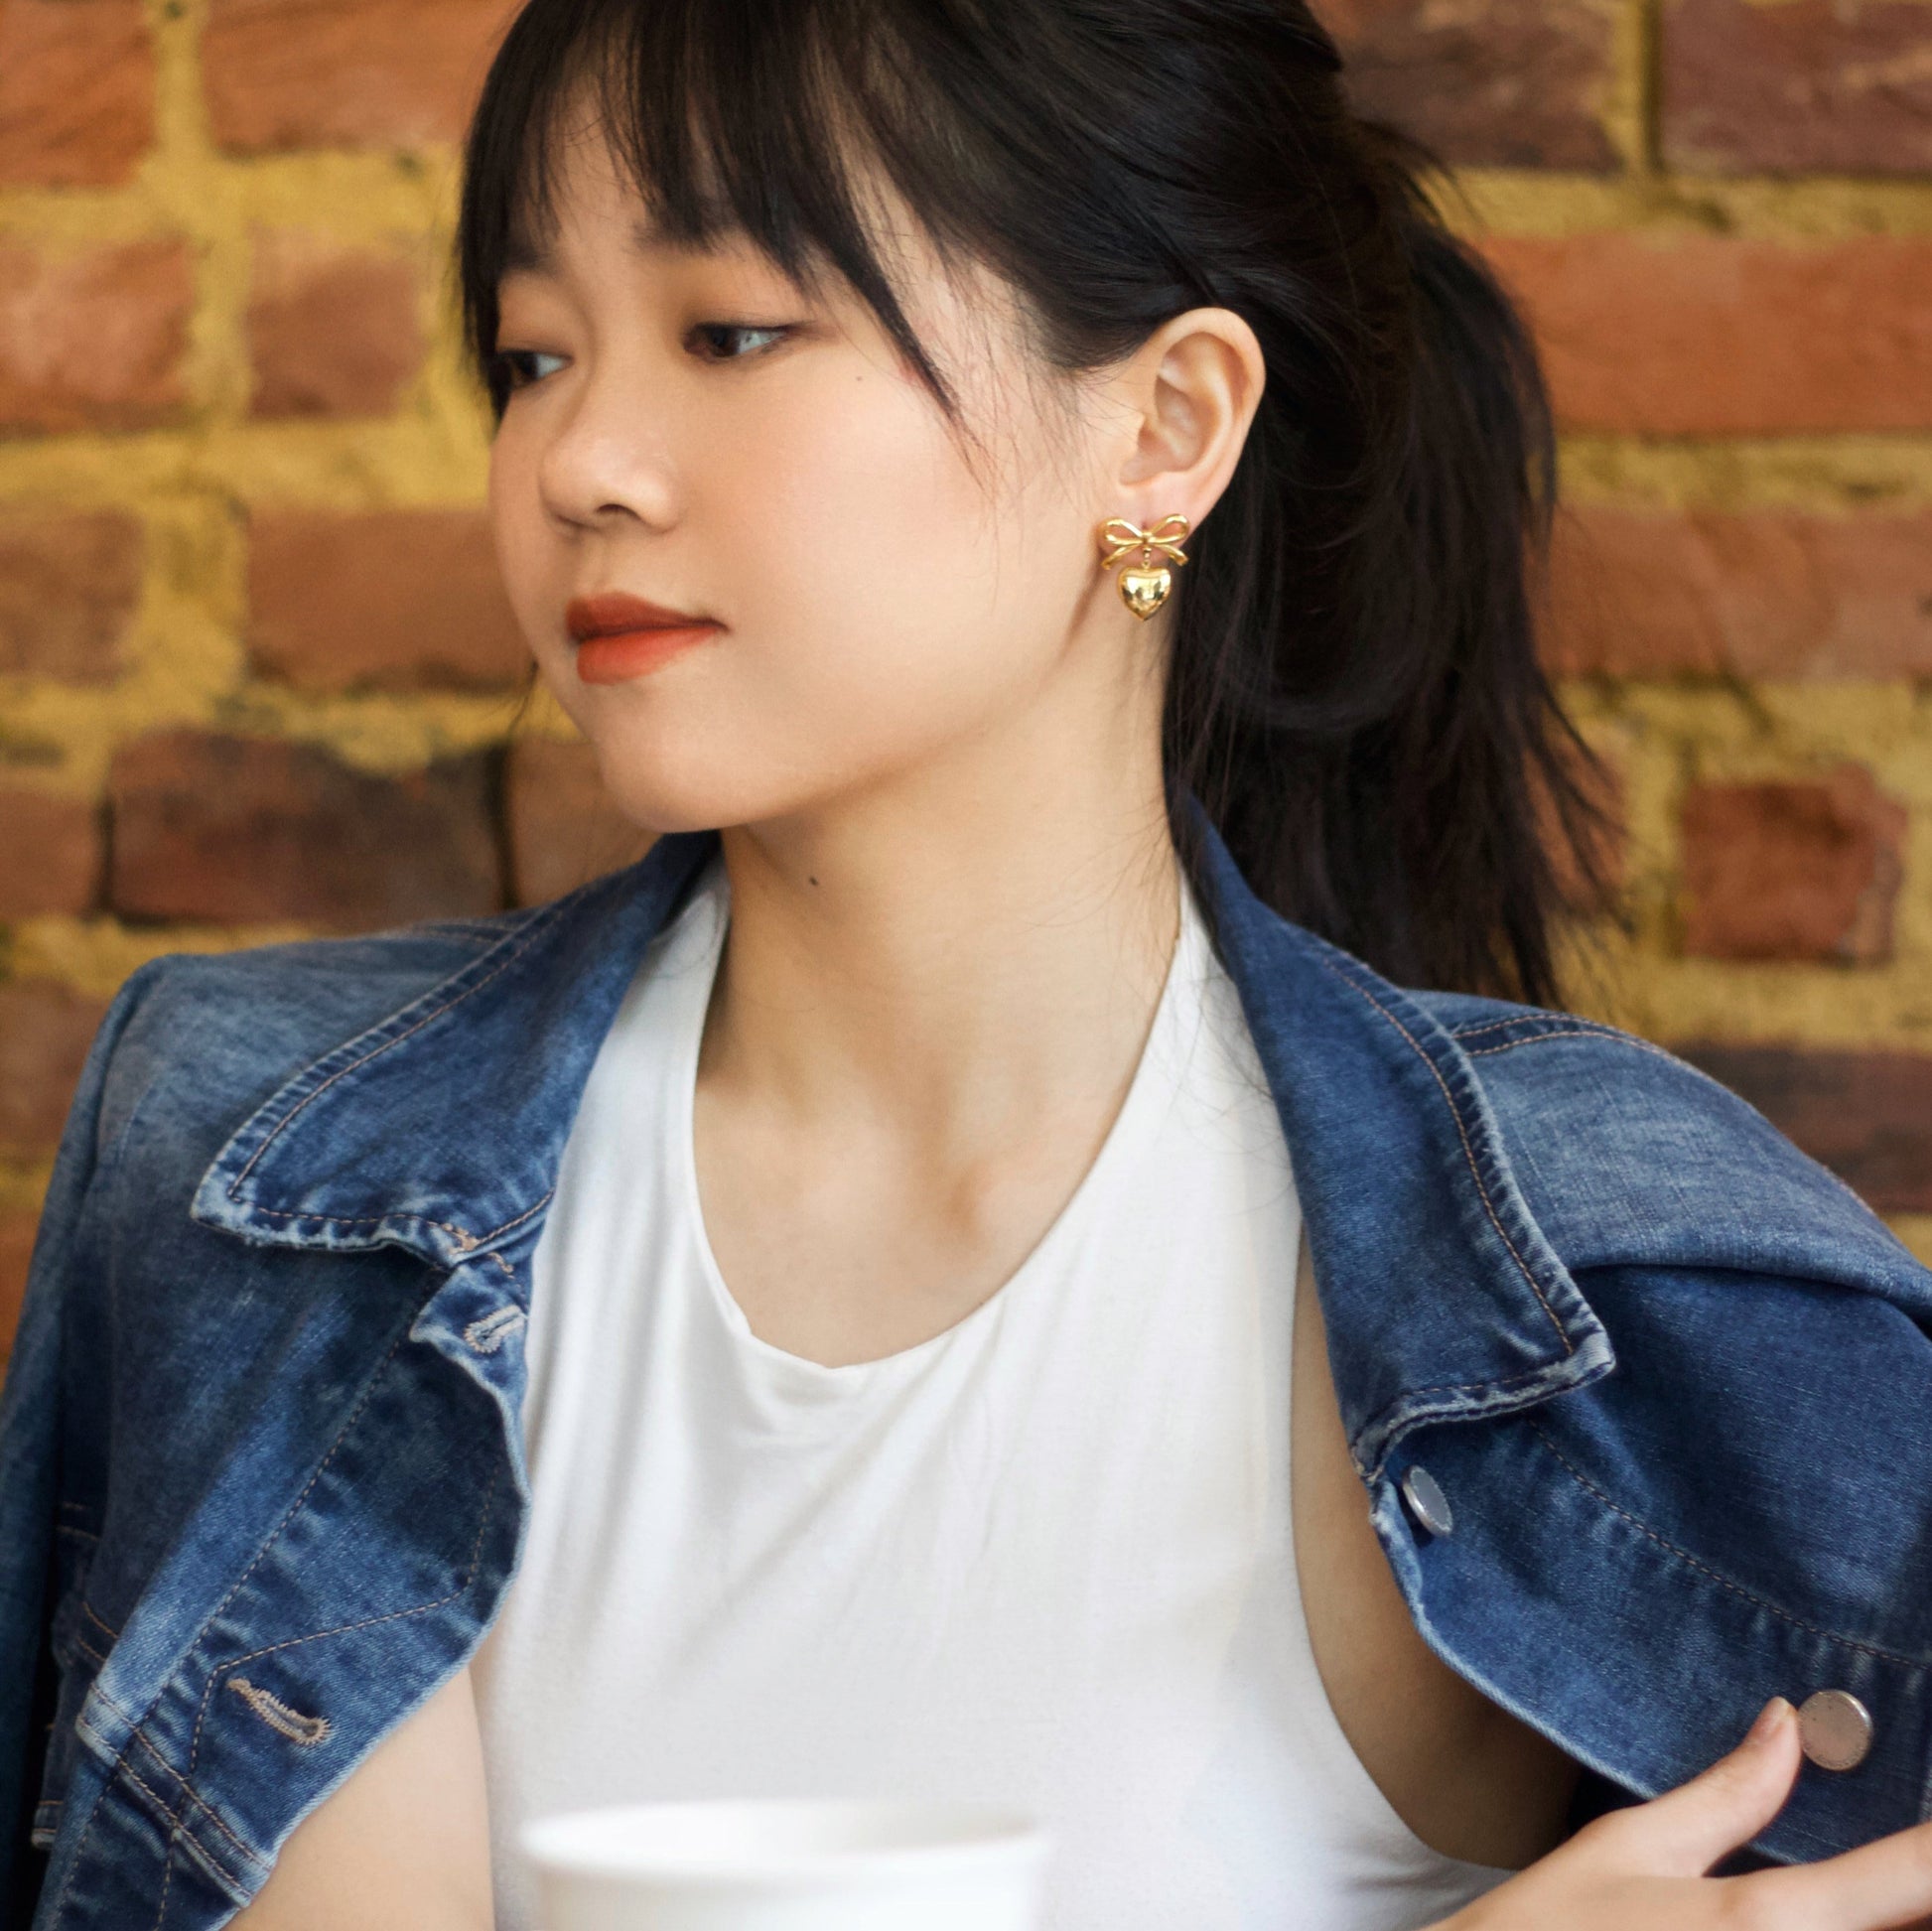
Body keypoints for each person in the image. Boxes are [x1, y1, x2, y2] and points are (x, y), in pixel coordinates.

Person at [5, 0, 1932, 1926]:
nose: (578, 458)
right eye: (532, 353)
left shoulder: (1628, 1294)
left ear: (1165, 427)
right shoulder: (269, 1182)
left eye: (732, 331)